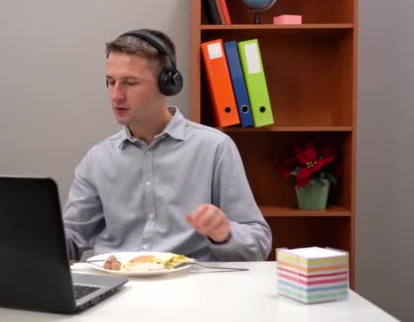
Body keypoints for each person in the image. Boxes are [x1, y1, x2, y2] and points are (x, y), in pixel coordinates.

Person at [63, 28, 271, 262]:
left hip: (191, 288)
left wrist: (224, 233)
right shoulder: (97, 159)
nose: (116, 95)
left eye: (130, 83)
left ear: (167, 84)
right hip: (117, 287)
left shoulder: (214, 148)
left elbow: (258, 244)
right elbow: (71, 236)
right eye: (110, 82)